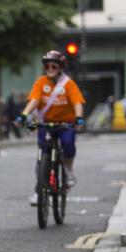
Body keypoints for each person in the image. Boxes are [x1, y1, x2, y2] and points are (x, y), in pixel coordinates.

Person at [14, 50, 86, 205]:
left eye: (54, 65)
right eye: (47, 66)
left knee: (68, 144)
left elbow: (77, 102)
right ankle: (39, 189)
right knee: (42, 156)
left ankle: (67, 170)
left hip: (65, 124)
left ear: (60, 67)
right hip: (45, 124)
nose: (50, 68)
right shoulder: (40, 82)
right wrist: (24, 115)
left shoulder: (68, 83)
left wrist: (79, 118)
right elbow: (34, 100)